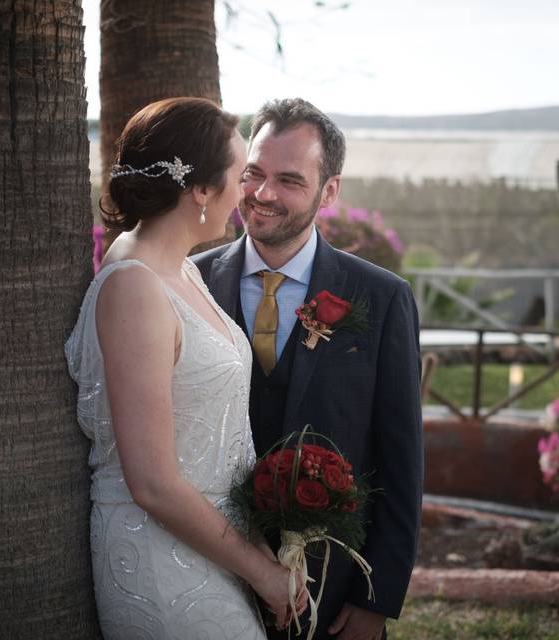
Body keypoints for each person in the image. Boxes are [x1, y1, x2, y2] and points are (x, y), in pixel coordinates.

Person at [65, 97, 305, 639]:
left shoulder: (180, 271)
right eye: (239, 175)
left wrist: (258, 550)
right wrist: (263, 573)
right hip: (158, 559)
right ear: (199, 189)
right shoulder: (133, 287)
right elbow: (151, 482)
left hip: (214, 547)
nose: (246, 194)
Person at [193, 98, 423, 640]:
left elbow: (401, 459)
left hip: (333, 586)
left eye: (290, 180)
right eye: (254, 174)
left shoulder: (382, 298)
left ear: (330, 191)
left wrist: (376, 599)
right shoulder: (190, 282)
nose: (264, 194)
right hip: (208, 571)